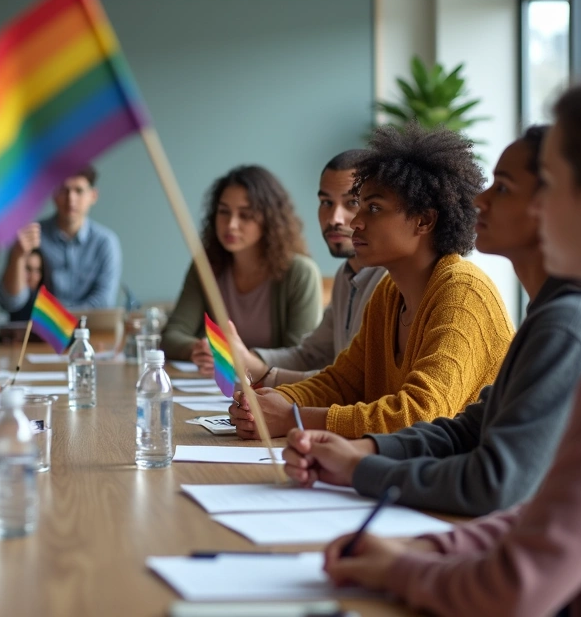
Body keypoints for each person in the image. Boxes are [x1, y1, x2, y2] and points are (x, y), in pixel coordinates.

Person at [317, 67, 581, 617]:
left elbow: (519, 587)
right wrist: (427, 547)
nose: (481, 201)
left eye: (542, 184)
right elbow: (552, 517)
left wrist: (401, 567)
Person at [281, 127, 581, 516]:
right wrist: (361, 450)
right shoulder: (547, 312)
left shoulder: (560, 321)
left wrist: (355, 463)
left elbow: (489, 477)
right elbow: (467, 429)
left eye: (502, 189)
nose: (480, 201)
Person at [231, 124, 514, 439]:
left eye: (374, 208)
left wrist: (294, 418)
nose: (356, 222)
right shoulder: (389, 294)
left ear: (424, 220)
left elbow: (420, 416)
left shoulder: (462, 292)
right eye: (361, 206)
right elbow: (343, 383)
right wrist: (273, 402)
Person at [226, 150, 388, 384]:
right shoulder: (346, 274)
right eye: (326, 203)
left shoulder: (390, 280)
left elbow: (356, 384)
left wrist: (263, 373)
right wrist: (247, 357)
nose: (335, 218)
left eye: (352, 202)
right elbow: (312, 355)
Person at [161, 165, 324, 365]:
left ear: (270, 220)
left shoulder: (301, 273)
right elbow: (172, 336)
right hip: (216, 387)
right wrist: (200, 349)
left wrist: (241, 360)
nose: (231, 224)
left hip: (272, 390)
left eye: (245, 215)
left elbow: (301, 356)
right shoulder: (206, 267)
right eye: (223, 212)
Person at [0, 165, 122, 312]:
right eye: (64, 190)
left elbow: (103, 303)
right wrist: (17, 257)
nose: (71, 199)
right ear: (53, 194)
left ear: (93, 196)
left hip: (88, 330)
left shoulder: (105, 243)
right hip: (36, 332)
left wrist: (59, 320)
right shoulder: (30, 237)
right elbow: (11, 303)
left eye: (79, 191)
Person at [9, 249, 49, 322]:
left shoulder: (46, 305)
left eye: (38, 270)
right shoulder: (10, 300)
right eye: (28, 269)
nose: (33, 277)